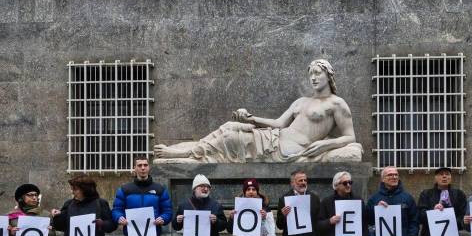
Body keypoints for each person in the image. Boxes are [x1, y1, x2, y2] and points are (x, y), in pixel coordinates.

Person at [153, 59, 362, 163]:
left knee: (231, 139)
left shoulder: (337, 103)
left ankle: (185, 154)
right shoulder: (301, 101)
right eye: (311, 75)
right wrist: (252, 118)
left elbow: (349, 137)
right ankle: (192, 152)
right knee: (231, 126)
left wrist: (325, 144)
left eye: (318, 73)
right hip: (276, 136)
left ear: (329, 76)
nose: (314, 78)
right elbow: (280, 123)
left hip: (290, 149)